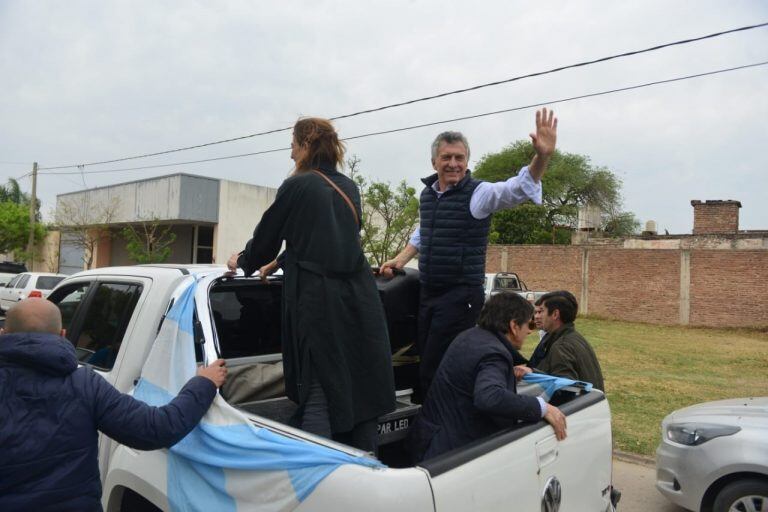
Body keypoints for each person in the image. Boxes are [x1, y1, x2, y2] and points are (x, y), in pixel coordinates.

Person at [227, 117, 395, 453]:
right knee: (359, 388)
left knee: (320, 386)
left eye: (292, 144)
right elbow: (331, 240)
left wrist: (243, 260)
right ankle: (368, 469)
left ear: (306, 145)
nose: (290, 153)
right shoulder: (349, 187)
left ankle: (317, 479)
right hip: (358, 299)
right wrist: (282, 261)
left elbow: (266, 240)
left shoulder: (297, 185)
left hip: (319, 302)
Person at [381, 108, 558, 398]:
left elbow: (516, 189)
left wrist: (542, 157)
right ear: (434, 161)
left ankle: (441, 421)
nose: (453, 164)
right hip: (430, 291)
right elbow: (424, 232)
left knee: (443, 363)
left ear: (467, 161)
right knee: (423, 356)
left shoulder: (479, 194)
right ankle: (426, 409)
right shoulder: (428, 195)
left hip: (460, 294)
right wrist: (400, 260)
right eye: (447, 157)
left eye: (459, 158)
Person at [0, 298, 227, 512]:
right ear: (62, 335)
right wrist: (203, 383)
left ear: (3, 333)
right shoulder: (84, 384)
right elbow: (156, 429)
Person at [410, 293, 567, 462]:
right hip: (454, 456)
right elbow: (489, 397)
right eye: (528, 324)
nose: (530, 330)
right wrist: (542, 407)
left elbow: (469, 376)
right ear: (514, 325)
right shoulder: (494, 354)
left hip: (431, 443)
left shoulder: (470, 337)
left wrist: (507, 373)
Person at [532, 291, 605, 391]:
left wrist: (532, 373)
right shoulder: (574, 338)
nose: (536, 316)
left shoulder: (562, 346)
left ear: (555, 314)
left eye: (542, 311)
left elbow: (565, 388)